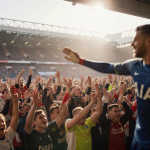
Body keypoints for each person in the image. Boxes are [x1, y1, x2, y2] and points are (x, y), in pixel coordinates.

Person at [63, 24, 150, 150]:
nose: (132, 44)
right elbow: (106, 66)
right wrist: (81, 61)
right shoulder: (134, 66)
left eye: (135, 39)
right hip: (138, 140)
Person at [65, 83, 102, 150]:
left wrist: (99, 97)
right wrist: (91, 103)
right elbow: (79, 116)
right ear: (74, 116)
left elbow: (98, 112)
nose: (84, 117)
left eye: (85, 116)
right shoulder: (69, 122)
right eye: (83, 116)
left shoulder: (87, 122)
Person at [0, 86, 19, 150]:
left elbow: (15, 117)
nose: (1, 124)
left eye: (2, 121)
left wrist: (15, 99)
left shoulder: (8, 135)